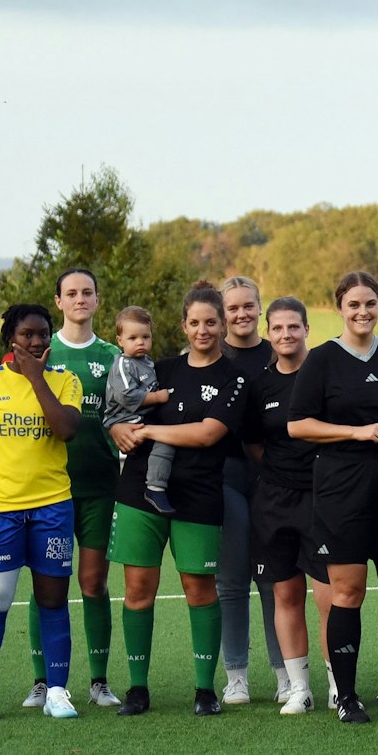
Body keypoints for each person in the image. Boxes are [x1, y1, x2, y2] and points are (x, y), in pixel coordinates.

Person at [288, 271, 378, 724]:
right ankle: (347, 696)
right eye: (354, 304)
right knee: (348, 593)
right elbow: (298, 425)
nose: (363, 312)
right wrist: (354, 431)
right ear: (340, 308)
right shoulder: (322, 359)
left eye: (370, 304)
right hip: (341, 491)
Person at [104, 283, 251, 718]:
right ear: (183, 325)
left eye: (211, 322)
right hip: (138, 493)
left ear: (223, 325)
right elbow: (120, 407)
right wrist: (116, 428)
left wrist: (147, 432)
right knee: (138, 589)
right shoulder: (159, 369)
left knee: (199, 589)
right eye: (194, 322)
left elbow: (207, 434)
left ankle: (205, 690)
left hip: (200, 495)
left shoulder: (234, 377)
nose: (202, 330)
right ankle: (137, 688)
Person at [0, 303, 82, 721]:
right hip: (0, 511)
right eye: (27, 334)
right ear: (10, 337)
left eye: (43, 333)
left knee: (53, 599)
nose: (36, 341)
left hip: (52, 508)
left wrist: (35, 378)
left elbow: (65, 430)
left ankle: (58, 690)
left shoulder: (65, 381)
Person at [29, 267, 123, 710]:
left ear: (97, 301)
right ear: (59, 300)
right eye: (72, 292)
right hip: (50, 489)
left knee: (92, 582)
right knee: (47, 584)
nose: (80, 298)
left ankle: (99, 681)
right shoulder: (44, 352)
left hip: (101, 485)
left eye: (88, 292)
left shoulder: (112, 354)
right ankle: (42, 681)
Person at [238, 297, 320, 715]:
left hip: (323, 497)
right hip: (273, 500)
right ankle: (299, 688)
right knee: (285, 592)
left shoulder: (324, 373)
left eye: (294, 327)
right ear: (269, 333)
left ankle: (341, 685)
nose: (286, 335)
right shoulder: (260, 384)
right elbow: (254, 443)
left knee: (329, 596)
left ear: (307, 329)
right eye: (278, 329)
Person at [216, 275, 283, 708]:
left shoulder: (278, 351)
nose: (241, 314)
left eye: (248, 306)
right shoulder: (207, 354)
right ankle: (236, 674)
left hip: (274, 477)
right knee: (232, 580)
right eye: (233, 308)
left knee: (275, 580)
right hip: (223, 476)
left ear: (260, 307)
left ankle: (286, 673)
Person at [100, 308, 175, 513]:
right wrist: (158, 397)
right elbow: (127, 395)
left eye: (145, 337)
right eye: (132, 337)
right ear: (119, 340)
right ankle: (155, 487)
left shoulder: (147, 362)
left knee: (167, 440)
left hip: (141, 415)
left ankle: (157, 485)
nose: (140, 342)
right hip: (125, 417)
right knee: (165, 440)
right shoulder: (124, 364)